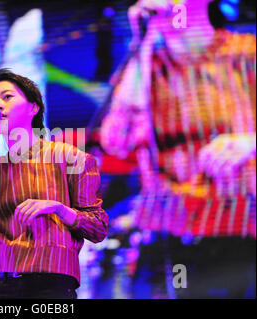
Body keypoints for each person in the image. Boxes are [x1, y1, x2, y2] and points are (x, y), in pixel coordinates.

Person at [100, 0, 255, 298]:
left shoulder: (246, 51)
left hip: (239, 229)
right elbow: (117, 141)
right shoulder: (146, 65)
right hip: (166, 234)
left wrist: (251, 142)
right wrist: (142, 45)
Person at [0, 69, 109, 299]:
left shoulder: (71, 158)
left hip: (52, 282)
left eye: (7, 97)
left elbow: (97, 228)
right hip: (3, 282)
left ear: (33, 107)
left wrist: (58, 208)